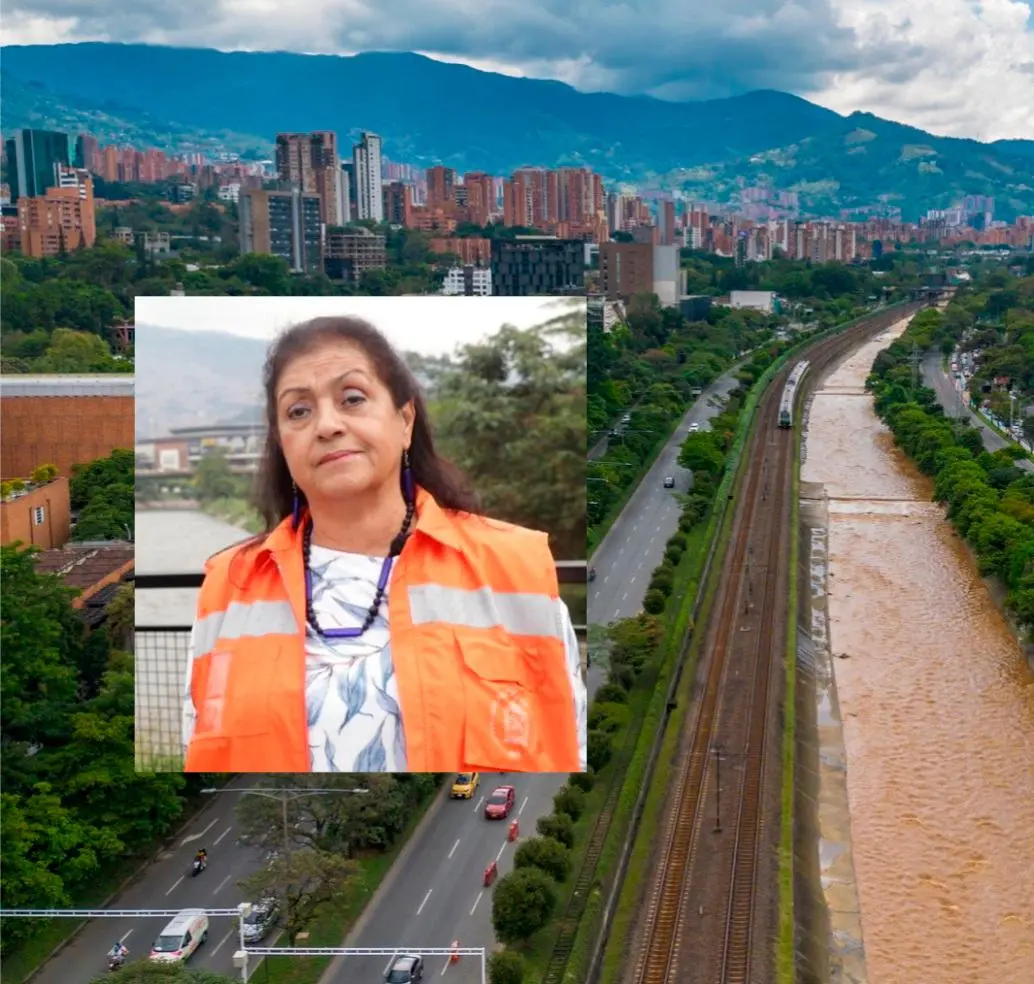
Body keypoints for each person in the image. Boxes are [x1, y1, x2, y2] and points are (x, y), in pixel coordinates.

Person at [182, 315, 587, 775]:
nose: (327, 425)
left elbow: (567, 736)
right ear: (283, 444)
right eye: (299, 411)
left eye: (352, 399)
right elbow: (197, 743)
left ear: (405, 420)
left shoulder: (514, 565)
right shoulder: (227, 586)